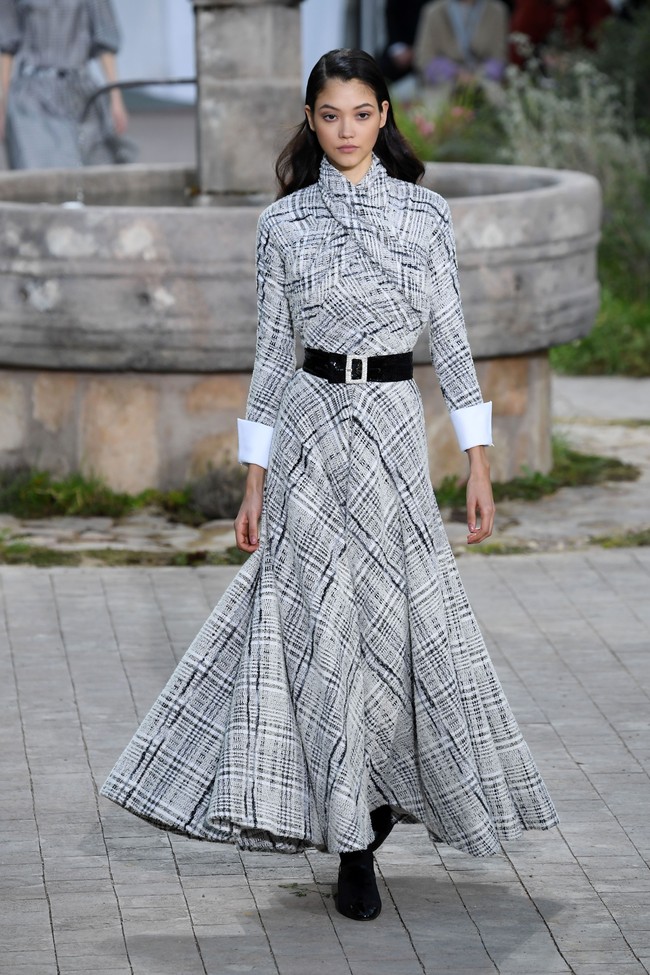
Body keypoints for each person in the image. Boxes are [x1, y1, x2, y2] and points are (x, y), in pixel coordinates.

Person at [100, 49, 558, 923]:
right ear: (311, 121)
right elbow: (272, 355)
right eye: (329, 115)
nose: (346, 129)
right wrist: (254, 481)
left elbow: (453, 341)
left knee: (398, 625)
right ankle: (352, 840)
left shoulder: (425, 215)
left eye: (361, 112)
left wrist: (479, 461)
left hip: (391, 432)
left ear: (385, 115)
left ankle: (380, 793)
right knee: (320, 628)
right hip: (310, 434)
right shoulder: (283, 225)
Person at [0, 0, 134, 169]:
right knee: (37, 167)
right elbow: (7, 46)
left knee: (90, 167)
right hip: (30, 97)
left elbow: (105, 41)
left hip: (79, 92)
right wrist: (3, 104)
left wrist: (116, 99)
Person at [413, 0, 509, 89]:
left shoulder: (496, 10)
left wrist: (480, 76)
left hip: (485, 85)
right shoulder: (434, 11)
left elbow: (499, 56)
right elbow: (424, 58)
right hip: (444, 86)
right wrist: (455, 73)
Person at [509, 0, 613, 66]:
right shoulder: (530, 7)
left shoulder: (592, 6)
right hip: (540, 67)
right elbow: (517, 50)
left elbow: (601, 39)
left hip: (581, 65)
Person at [378, 0, 427, 82]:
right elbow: (392, 16)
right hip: (402, 45)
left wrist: (418, 50)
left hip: (430, 48)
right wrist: (399, 48)